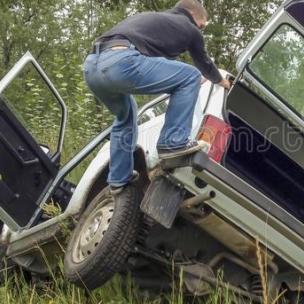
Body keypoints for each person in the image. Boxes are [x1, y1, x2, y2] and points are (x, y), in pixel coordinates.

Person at [83, 0, 232, 194]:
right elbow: (204, 64)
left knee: (125, 117)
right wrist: (223, 82)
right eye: (202, 25)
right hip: (121, 63)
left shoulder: (153, 20)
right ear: (193, 15)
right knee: (191, 75)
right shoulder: (189, 27)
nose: (200, 30)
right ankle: (172, 142)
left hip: (92, 67)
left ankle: (119, 179)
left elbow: (162, 67)